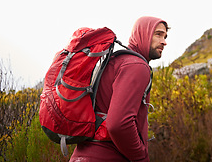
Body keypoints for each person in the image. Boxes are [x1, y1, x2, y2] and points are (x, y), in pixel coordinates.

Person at [70, 16, 168, 162]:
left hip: (83, 155)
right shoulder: (136, 66)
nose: (164, 42)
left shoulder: (115, 61)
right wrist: (141, 157)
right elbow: (119, 124)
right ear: (143, 33)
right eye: (158, 34)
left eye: (165, 36)